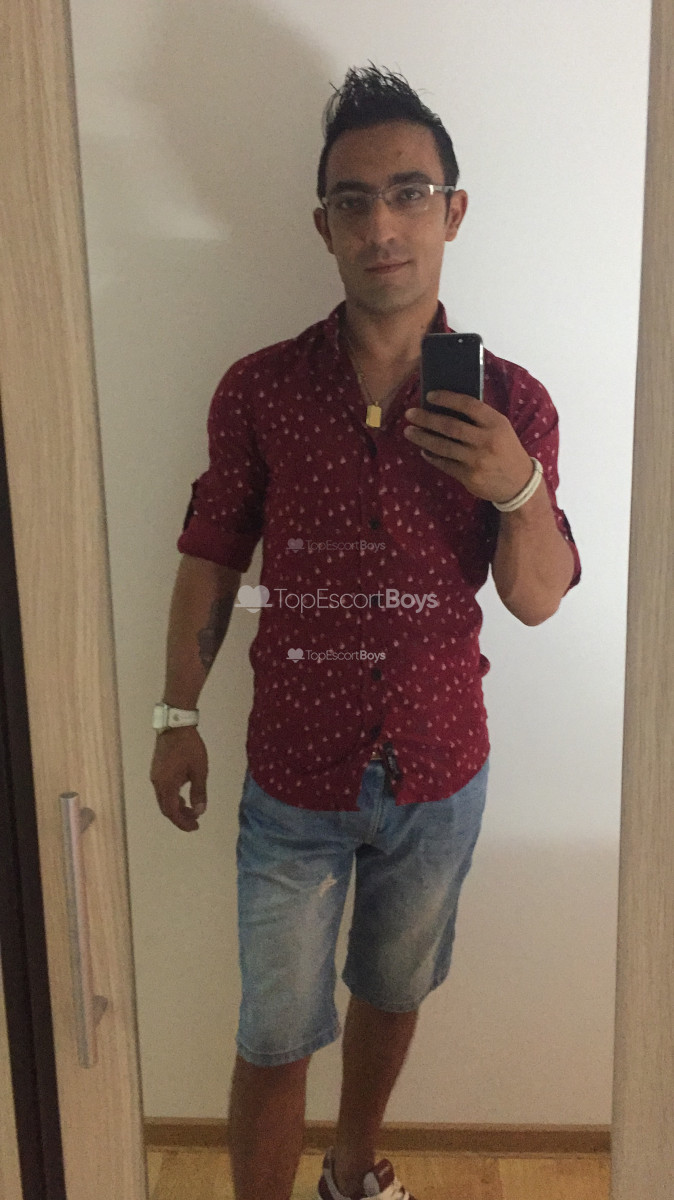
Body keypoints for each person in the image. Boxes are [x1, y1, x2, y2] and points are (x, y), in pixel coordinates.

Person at [149, 63, 581, 1200]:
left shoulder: (513, 404)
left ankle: (351, 1173)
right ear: (324, 225)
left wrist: (517, 485)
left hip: (439, 772)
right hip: (294, 775)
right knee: (274, 1029)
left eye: (407, 193)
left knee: (392, 992)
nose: (381, 225)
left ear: (452, 210)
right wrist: (174, 712)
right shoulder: (259, 390)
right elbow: (211, 556)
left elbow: (536, 597)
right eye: (353, 200)